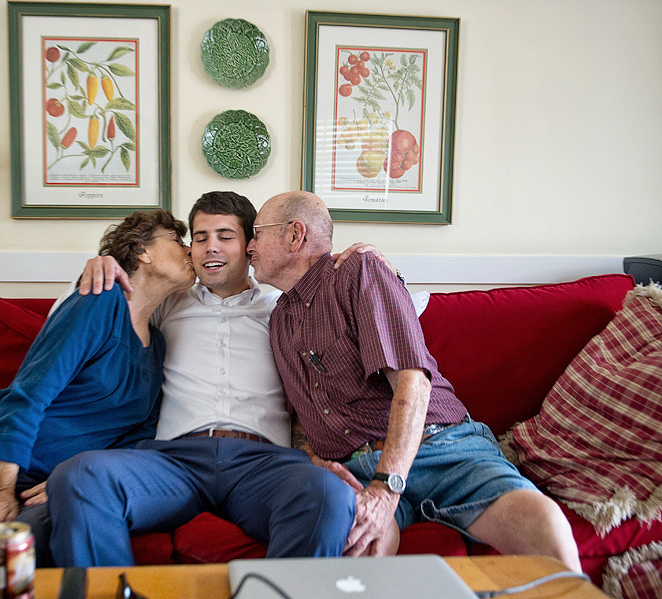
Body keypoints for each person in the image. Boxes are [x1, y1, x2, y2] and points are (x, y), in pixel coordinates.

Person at [246, 190, 582, 571]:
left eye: (257, 232)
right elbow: (301, 421)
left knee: (541, 521)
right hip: (355, 469)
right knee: (356, 549)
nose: (249, 245)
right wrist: (315, 461)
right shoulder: (279, 322)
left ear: (295, 235)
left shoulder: (358, 271)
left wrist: (387, 487)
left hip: (439, 447)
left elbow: (413, 382)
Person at [0, 210, 197, 599]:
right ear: (142, 251)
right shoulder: (98, 303)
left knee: (23, 555)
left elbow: (134, 436)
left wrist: (68, 478)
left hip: (55, 480)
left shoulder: (157, 345)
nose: (190, 249)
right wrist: (2, 489)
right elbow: (30, 392)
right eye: (178, 240)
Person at [42, 191, 362, 567]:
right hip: (174, 462)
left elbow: (376, 309)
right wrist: (104, 268)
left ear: (250, 246)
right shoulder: (167, 302)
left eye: (226, 237)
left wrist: (369, 262)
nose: (211, 248)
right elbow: (67, 326)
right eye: (199, 237)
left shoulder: (283, 307)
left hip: (263, 463)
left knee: (328, 494)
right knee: (79, 476)